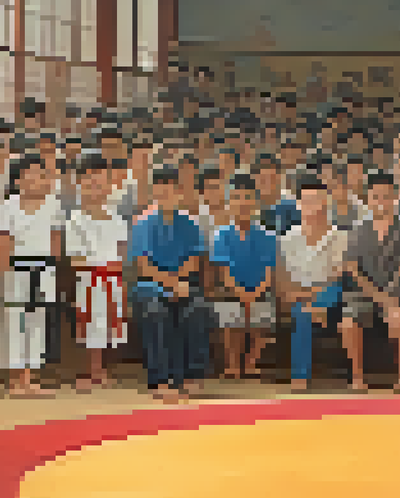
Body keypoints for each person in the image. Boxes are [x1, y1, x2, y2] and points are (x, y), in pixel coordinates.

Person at [129, 167, 210, 403]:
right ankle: (160, 379)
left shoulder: (190, 224)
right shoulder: (143, 224)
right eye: (160, 189)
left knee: (197, 308)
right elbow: (144, 267)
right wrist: (171, 283)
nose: (165, 194)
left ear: (179, 192)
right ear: (155, 192)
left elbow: (193, 262)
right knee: (156, 310)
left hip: (183, 282)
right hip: (149, 285)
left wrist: (178, 284)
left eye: (170, 189)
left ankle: (191, 376)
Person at [339, 173, 400, 392]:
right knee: (348, 321)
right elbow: (352, 269)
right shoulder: (358, 231)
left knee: (398, 316)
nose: (381, 201)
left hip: (397, 293)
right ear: (368, 199)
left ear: (394, 198)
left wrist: (389, 296)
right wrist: (376, 295)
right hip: (364, 294)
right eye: (376, 197)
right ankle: (357, 378)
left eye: (386, 196)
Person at [0, 152, 64, 398]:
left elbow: (55, 239)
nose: (35, 179)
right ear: (18, 179)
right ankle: (15, 380)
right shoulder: (9, 204)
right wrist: (5, 275)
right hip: (17, 268)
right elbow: (4, 242)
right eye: (29, 174)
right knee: (16, 322)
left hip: (44, 268)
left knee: (37, 323)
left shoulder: (53, 204)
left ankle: (30, 378)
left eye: (40, 173)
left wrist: (53, 270)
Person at [277, 181, 347, 392]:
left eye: (317, 200)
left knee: (307, 307)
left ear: (326, 203)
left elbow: (336, 276)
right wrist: (298, 293)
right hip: (298, 291)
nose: (312, 206)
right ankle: (299, 376)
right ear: (298, 204)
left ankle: (300, 374)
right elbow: (283, 275)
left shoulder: (339, 236)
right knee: (302, 310)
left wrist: (312, 294)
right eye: (306, 201)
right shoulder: (289, 238)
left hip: (329, 292)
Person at [66, 158, 128, 392]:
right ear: (80, 184)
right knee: (90, 323)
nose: (95, 187)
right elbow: (75, 259)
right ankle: (91, 369)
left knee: (108, 324)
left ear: (110, 186)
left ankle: (102, 368)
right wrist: (100, 266)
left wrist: (112, 268)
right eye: (89, 182)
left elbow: (121, 256)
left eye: (100, 182)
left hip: (112, 278)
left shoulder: (118, 220)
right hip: (88, 280)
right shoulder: (75, 220)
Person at [211, 175, 276, 380]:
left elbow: (268, 273)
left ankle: (251, 362)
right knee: (231, 311)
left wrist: (255, 293)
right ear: (230, 204)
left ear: (255, 202)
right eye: (237, 198)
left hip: (260, 290)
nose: (242, 203)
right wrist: (241, 294)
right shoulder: (221, 235)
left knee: (263, 310)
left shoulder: (267, 235)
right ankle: (232, 364)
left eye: (247, 197)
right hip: (231, 290)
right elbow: (224, 273)